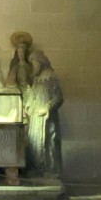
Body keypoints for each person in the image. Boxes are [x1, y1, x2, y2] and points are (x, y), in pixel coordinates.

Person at [25, 49, 64, 177]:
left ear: (41, 63)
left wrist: (47, 107)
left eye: (35, 64)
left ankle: (51, 170)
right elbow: (33, 96)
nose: (33, 67)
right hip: (36, 117)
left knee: (49, 143)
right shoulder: (36, 79)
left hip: (47, 118)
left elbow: (59, 97)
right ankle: (38, 168)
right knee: (35, 142)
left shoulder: (50, 77)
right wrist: (28, 107)